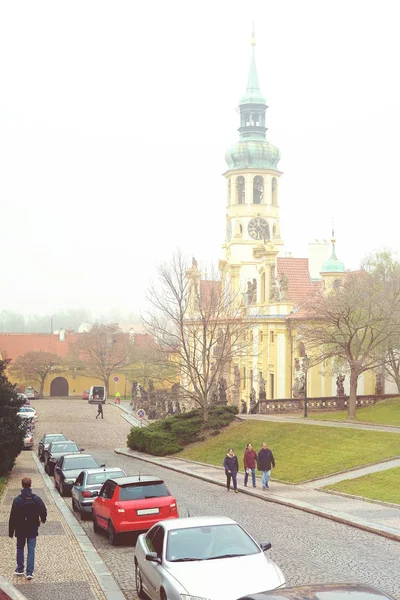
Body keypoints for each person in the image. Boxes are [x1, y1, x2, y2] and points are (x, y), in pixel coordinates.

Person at [9, 477, 47, 579]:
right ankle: (29, 572)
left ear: (22, 485)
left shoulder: (17, 500)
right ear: (30, 485)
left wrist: (11, 531)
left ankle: (20, 568)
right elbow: (43, 509)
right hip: (32, 528)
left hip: (20, 528)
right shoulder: (36, 499)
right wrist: (43, 519)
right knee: (31, 549)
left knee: (20, 548)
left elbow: (12, 516)